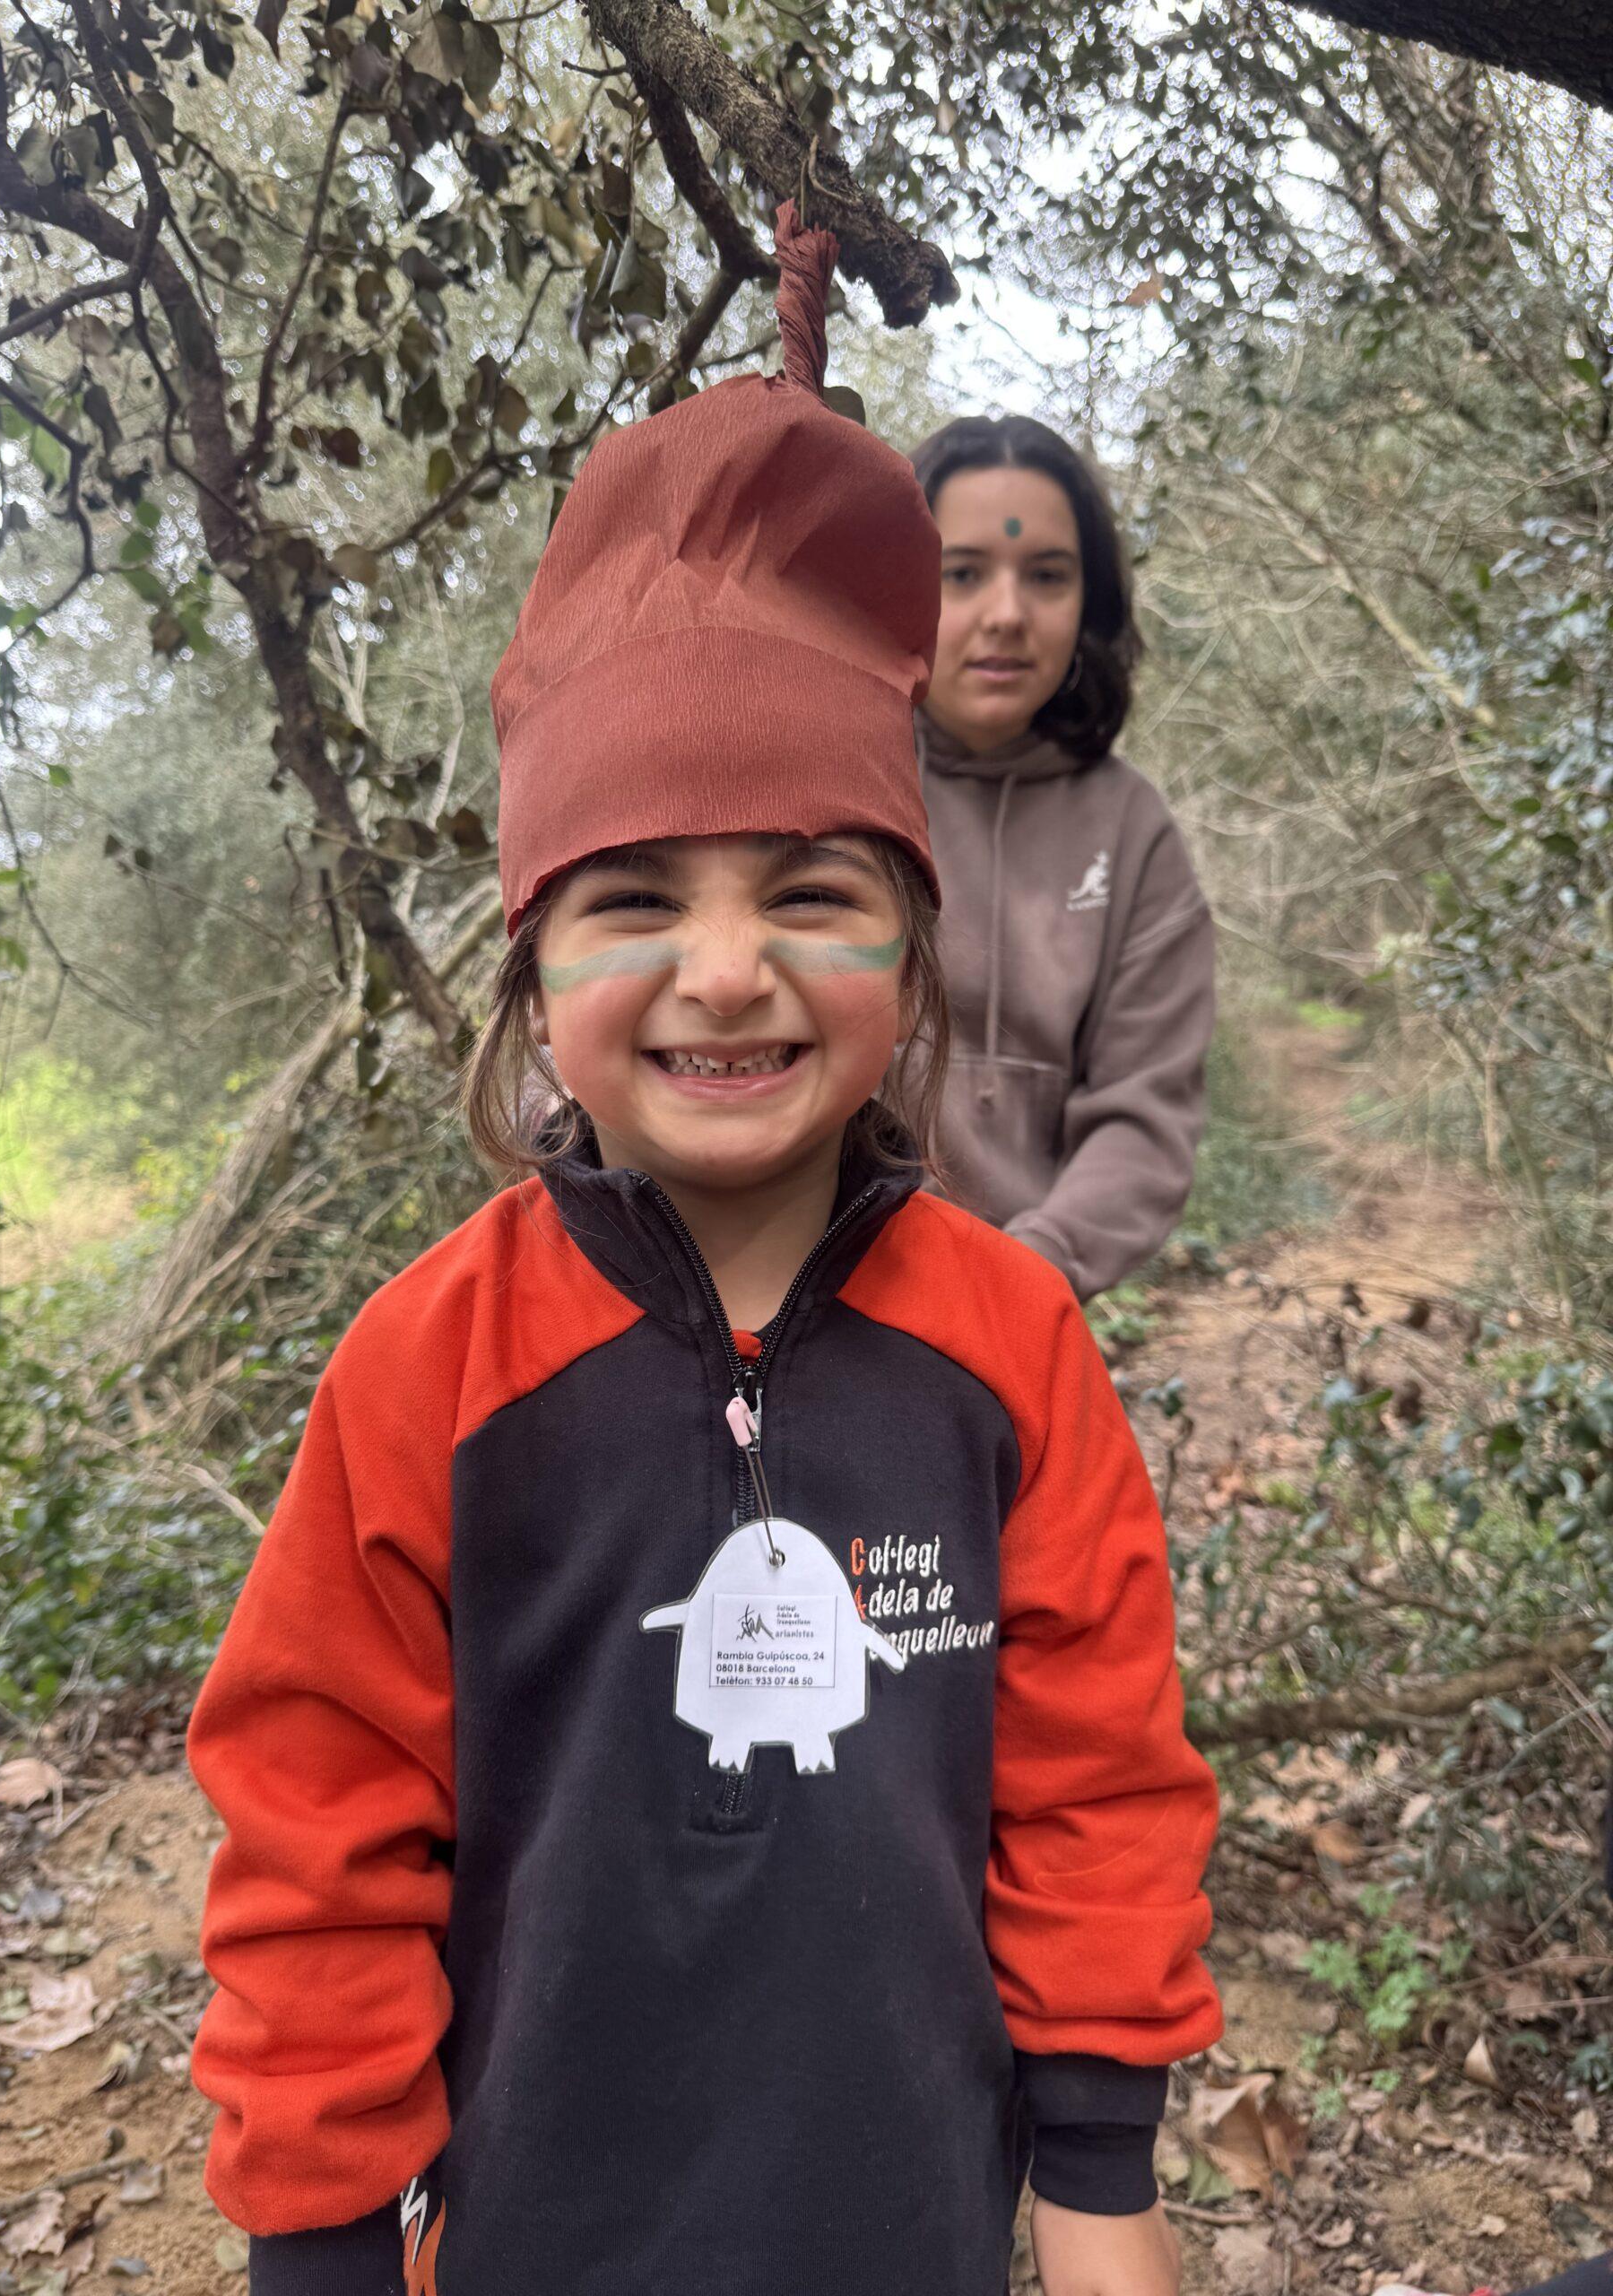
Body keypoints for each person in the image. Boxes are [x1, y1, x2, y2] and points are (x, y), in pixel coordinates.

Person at [186, 209, 1221, 2296]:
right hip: (537, 2231)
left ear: (911, 952)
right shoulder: (430, 1363)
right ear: (531, 972)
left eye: (814, 889)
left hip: (913, 2222)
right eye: (636, 896)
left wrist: (1103, 2186)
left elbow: (1095, 1788)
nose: (728, 969)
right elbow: (317, 1836)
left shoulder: (1010, 1342)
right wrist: (323, 2234)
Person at [910, 414, 1214, 1302]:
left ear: (1091, 601)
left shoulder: (1132, 833)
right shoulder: (825, 788)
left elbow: (1144, 1114)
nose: (1007, 614)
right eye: (962, 572)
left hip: (1029, 1315)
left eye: (1046, 575)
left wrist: (1025, 1281)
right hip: (806, 1312)